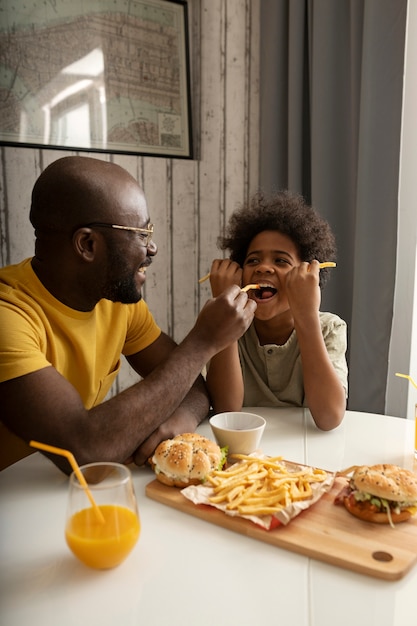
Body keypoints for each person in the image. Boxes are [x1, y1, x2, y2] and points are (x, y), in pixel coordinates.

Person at [0, 156, 256, 473]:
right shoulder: (8, 318)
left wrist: (180, 419)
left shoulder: (116, 301)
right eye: (140, 233)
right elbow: (84, 450)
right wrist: (203, 342)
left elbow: (192, 386)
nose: (152, 248)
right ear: (87, 244)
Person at [205, 190, 348, 430]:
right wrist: (224, 311)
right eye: (252, 261)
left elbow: (329, 418)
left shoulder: (329, 328)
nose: (263, 268)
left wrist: (306, 314)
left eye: (280, 261)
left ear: (307, 274)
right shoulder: (228, 326)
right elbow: (226, 412)